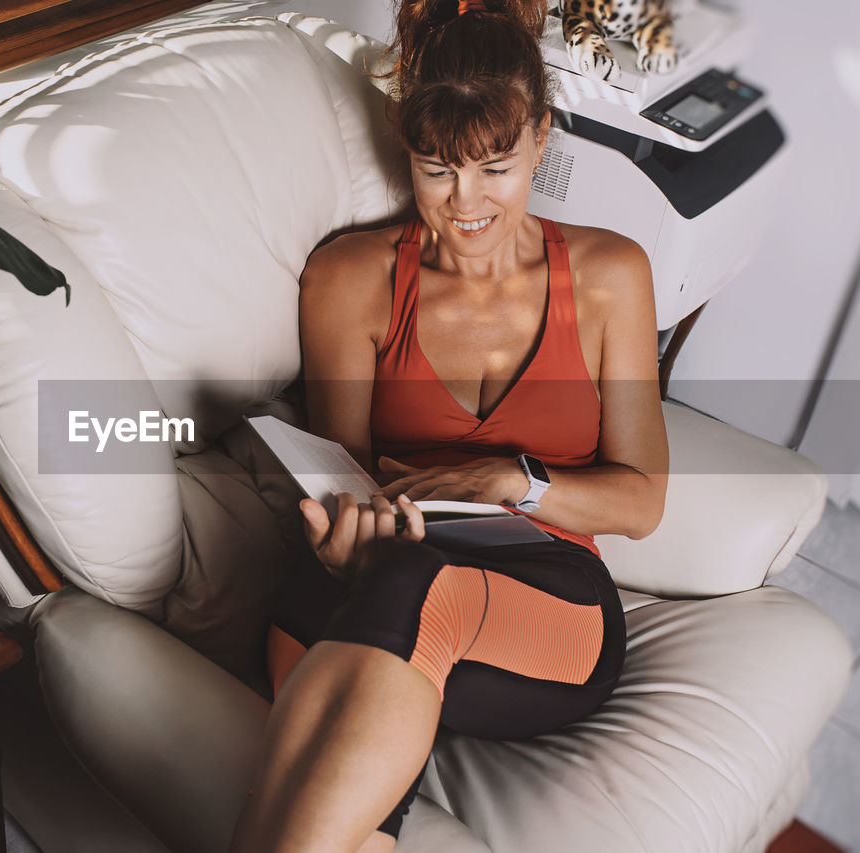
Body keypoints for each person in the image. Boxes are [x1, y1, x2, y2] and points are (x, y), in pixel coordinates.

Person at [229, 0, 669, 850]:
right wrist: (342, 538)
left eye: (496, 167)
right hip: (376, 574)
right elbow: (342, 472)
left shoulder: (613, 275)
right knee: (385, 588)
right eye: (437, 169)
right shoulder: (350, 280)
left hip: (544, 599)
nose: (465, 203)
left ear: (542, 136)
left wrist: (515, 480)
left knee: (419, 585)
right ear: (408, 147)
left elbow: (642, 501)